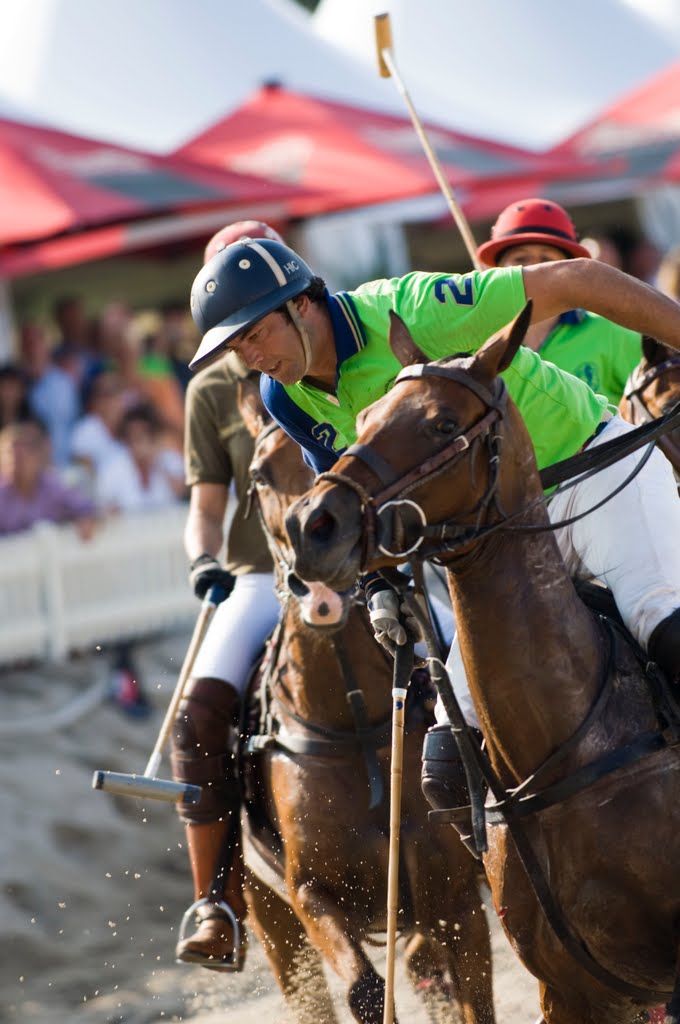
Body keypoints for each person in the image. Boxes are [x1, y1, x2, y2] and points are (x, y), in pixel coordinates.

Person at [187, 234, 680, 821]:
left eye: (255, 333)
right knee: (446, 763)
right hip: (503, 531)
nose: (253, 357)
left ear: (300, 303)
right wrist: (377, 588)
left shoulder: (414, 308)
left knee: (661, 626)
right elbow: (348, 503)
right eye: (238, 346)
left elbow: (580, 280)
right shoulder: (285, 398)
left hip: (596, 468)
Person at [170, 220, 283, 971]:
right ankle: (217, 901)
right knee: (200, 713)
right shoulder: (210, 387)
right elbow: (206, 504)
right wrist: (202, 558)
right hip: (262, 578)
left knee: (460, 671)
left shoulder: (333, 348)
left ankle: (498, 837)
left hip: (361, 565)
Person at [476, 198, 642, 405]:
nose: (535, 270)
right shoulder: (477, 342)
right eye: (520, 259)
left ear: (568, 270)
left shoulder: (610, 332)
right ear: (498, 271)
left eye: (546, 260)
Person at [0, 416, 97, 538]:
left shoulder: (50, 485)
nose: (15, 462)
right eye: (9, 456)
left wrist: (86, 519)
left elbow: (86, 508)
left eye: (21, 457)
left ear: (35, 457)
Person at [95, 403, 186, 514]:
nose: (138, 444)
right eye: (133, 437)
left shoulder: (169, 459)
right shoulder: (112, 469)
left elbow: (181, 494)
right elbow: (105, 508)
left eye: (142, 436)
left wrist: (158, 463)